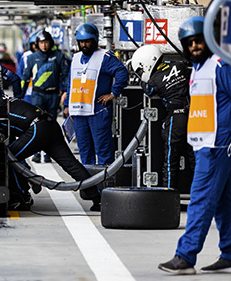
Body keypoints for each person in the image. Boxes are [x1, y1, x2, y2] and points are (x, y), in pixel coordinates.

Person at [158, 16, 231, 274]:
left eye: (199, 40)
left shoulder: (220, 66)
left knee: (200, 201)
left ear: (210, 40)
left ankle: (185, 257)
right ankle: (230, 251)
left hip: (216, 147)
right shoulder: (198, 69)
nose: (194, 46)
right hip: (205, 145)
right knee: (223, 201)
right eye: (189, 43)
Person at [0, 80, 102, 211]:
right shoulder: (3, 101)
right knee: (71, 165)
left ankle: (22, 196)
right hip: (49, 124)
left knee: (8, 160)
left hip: (37, 129)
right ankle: (98, 198)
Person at [130, 44, 195, 191]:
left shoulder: (154, 81)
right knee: (195, 159)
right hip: (192, 117)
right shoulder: (180, 65)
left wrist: (140, 80)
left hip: (176, 119)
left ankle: (168, 195)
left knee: (170, 159)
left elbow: (148, 90)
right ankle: (202, 194)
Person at [63, 23, 129, 165]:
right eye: (81, 42)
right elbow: (71, 83)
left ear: (95, 41)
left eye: (87, 42)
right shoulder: (75, 59)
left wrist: (113, 93)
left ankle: (105, 185)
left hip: (98, 111)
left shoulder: (105, 57)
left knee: (103, 150)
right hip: (79, 113)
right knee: (85, 151)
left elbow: (122, 72)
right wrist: (67, 104)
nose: (84, 45)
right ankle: (89, 186)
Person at [22, 30, 70, 163]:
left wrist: (65, 91)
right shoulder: (32, 58)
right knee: (37, 124)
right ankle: (36, 152)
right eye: (41, 43)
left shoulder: (59, 57)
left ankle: (49, 153)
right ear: (37, 44)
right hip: (38, 95)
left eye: (46, 42)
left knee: (51, 124)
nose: (44, 45)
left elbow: (66, 75)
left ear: (51, 43)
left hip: (53, 95)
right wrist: (19, 96)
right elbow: (25, 78)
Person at [17, 31, 39, 103]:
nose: (35, 46)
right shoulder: (25, 56)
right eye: (34, 44)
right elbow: (20, 73)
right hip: (28, 92)